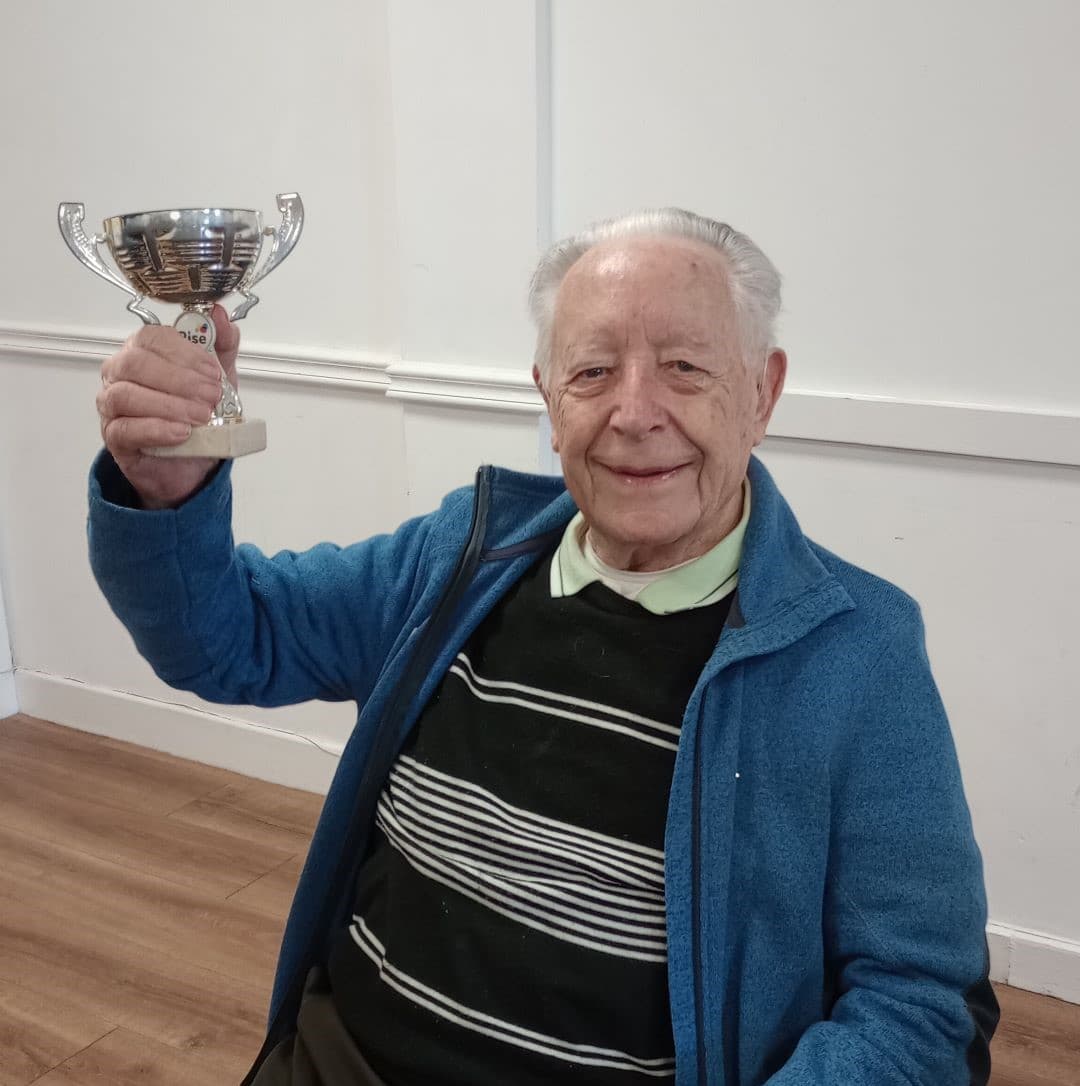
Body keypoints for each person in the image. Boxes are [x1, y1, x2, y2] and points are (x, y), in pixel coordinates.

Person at [88, 209, 999, 1085]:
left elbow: (918, 1001)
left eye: (685, 366)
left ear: (761, 392)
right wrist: (167, 495)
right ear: (547, 399)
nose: (635, 412)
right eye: (594, 372)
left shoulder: (856, 653)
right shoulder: (460, 557)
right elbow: (222, 640)